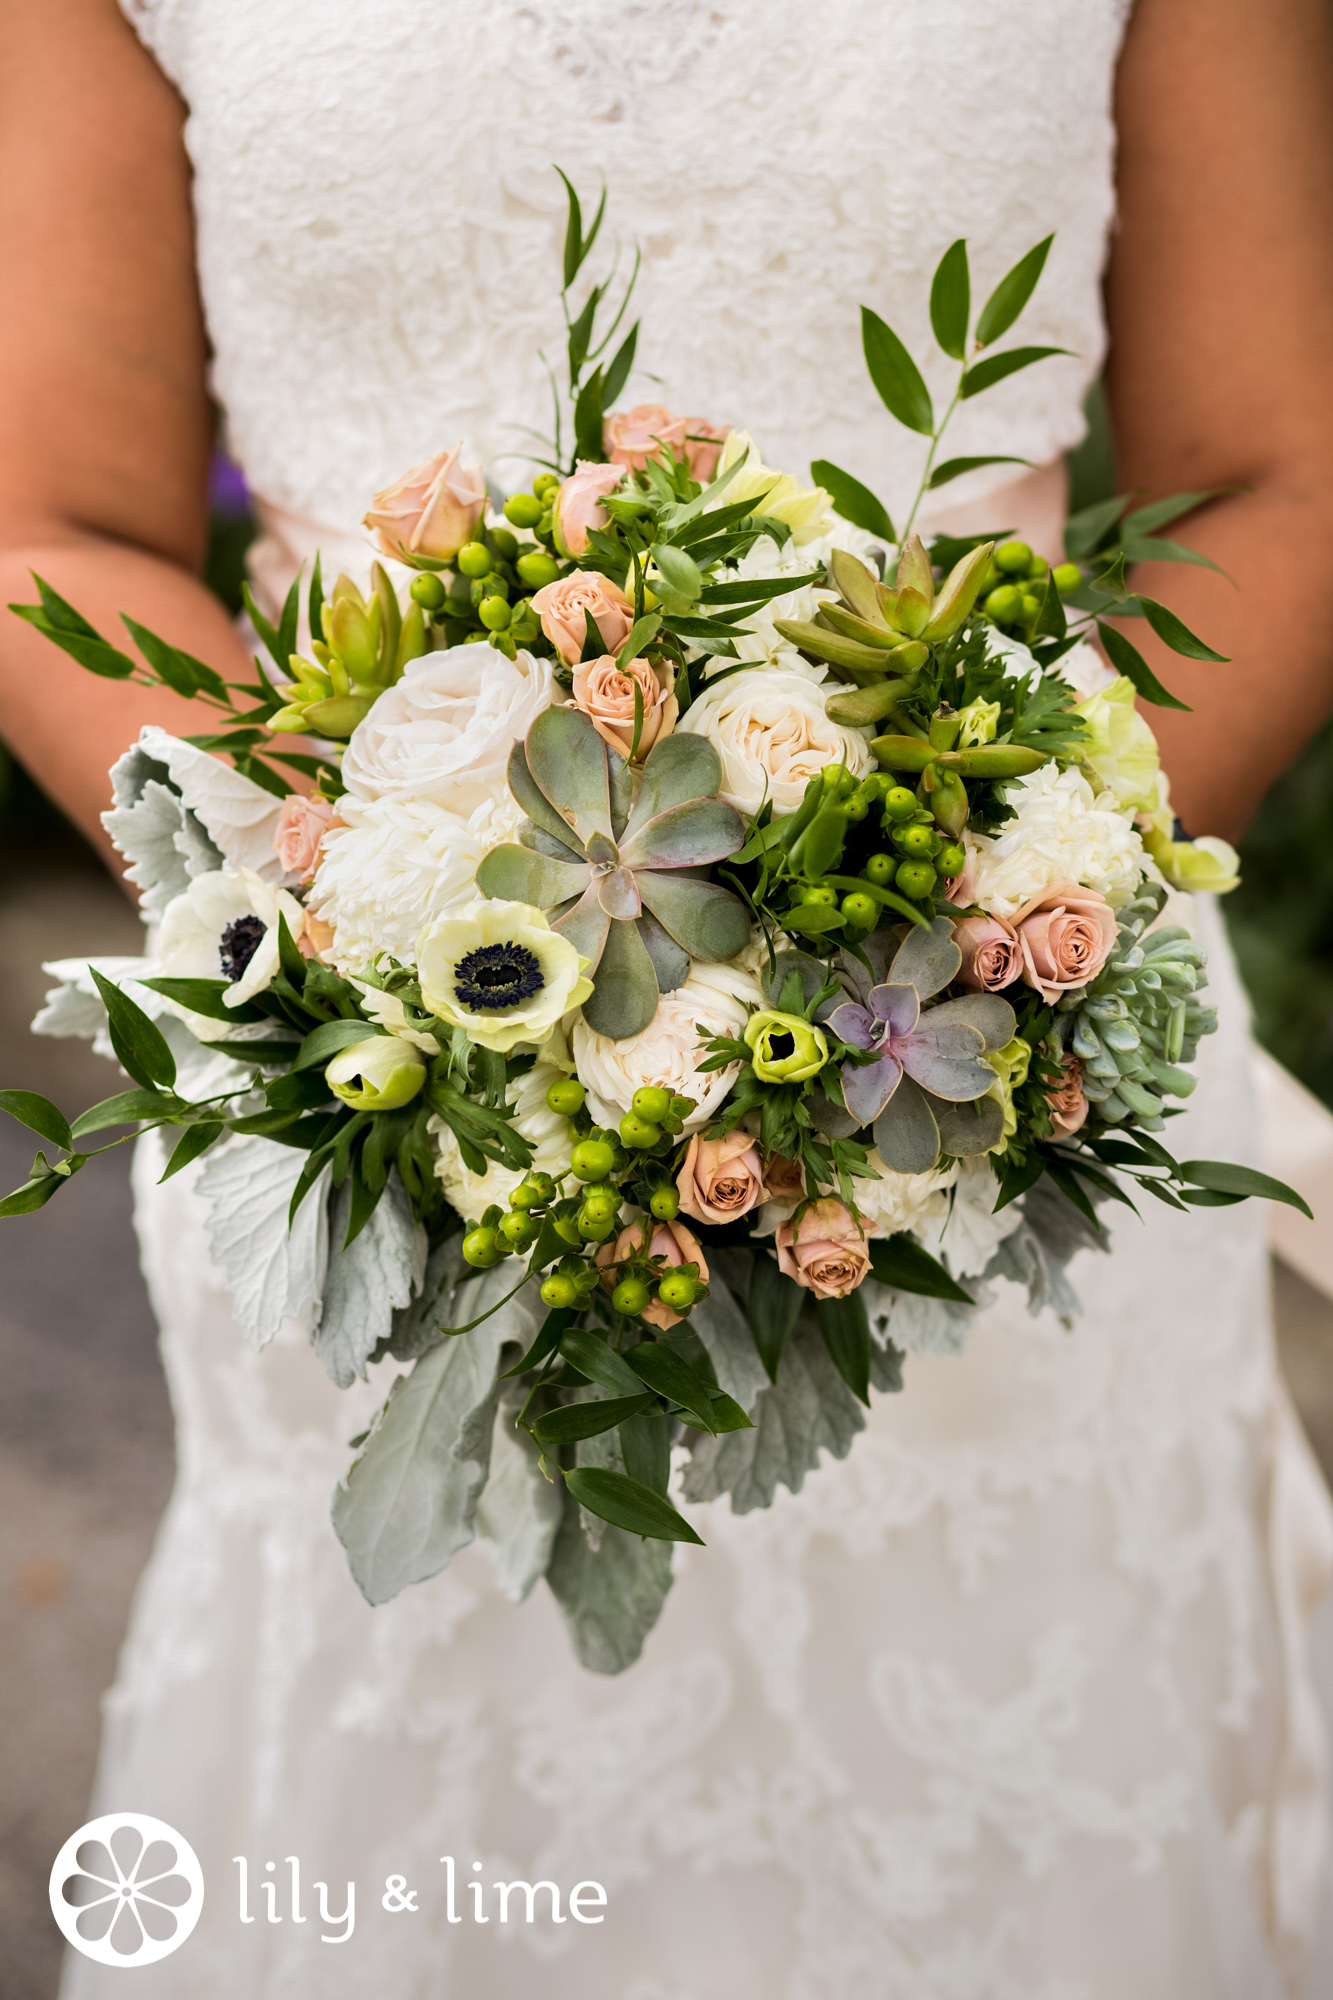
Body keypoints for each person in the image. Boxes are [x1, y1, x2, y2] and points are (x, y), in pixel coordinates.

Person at [4, 0, 1333, 1992]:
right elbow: (57, 525)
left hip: (1003, 1101)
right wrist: (380, 944)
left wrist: (976, 938)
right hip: (386, 1120)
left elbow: (1276, 476)